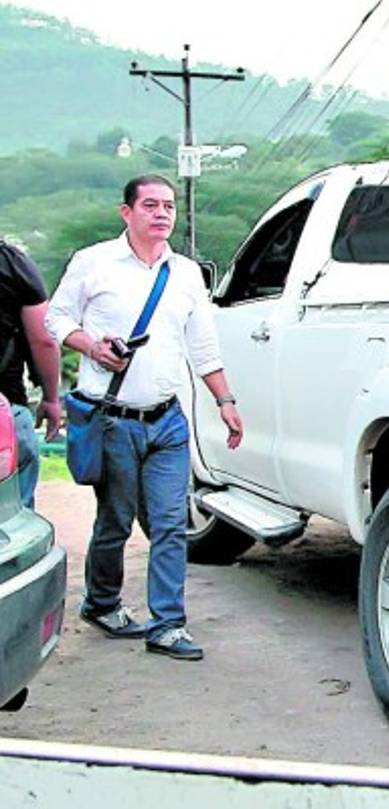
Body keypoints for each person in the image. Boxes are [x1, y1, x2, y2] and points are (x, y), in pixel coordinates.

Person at [45, 174, 243, 662]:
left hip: (167, 419)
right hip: (112, 419)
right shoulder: (93, 263)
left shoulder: (186, 273)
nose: (162, 214)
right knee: (115, 519)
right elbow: (56, 317)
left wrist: (225, 399)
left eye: (169, 206)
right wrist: (91, 346)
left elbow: (203, 344)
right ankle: (103, 602)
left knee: (171, 522)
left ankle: (168, 624)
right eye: (150, 205)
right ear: (126, 212)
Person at [0, 240, 62, 508]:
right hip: (5, 408)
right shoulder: (11, 262)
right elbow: (44, 340)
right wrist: (51, 398)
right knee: (15, 520)